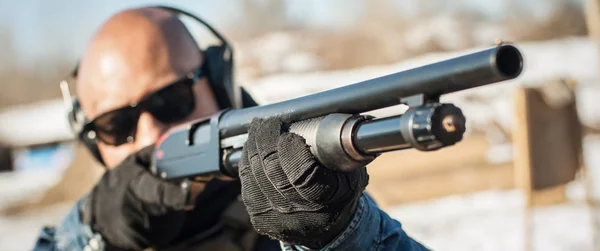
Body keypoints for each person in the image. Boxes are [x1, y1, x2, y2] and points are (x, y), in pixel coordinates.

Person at [32, 6, 430, 251]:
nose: (152, 134)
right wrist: (91, 234)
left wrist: (340, 237)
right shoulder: (94, 229)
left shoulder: (301, 186)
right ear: (93, 143)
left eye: (171, 101)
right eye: (116, 125)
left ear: (221, 86)